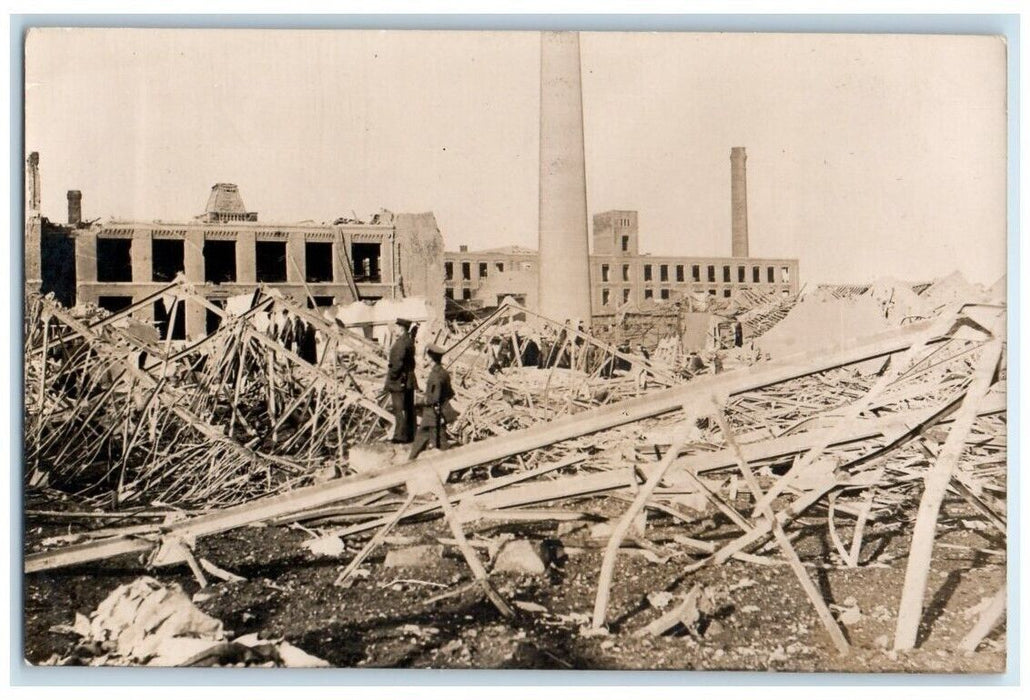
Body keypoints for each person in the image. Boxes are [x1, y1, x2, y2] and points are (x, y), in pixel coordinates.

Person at [409, 343, 456, 460]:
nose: (425, 360)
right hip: (438, 412)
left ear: (430, 359)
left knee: (439, 443)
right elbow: (450, 393)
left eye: (426, 357)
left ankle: (410, 463)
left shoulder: (435, 376)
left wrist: (419, 401)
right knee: (422, 439)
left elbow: (433, 398)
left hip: (433, 414)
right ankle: (410, 461)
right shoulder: (444, 373)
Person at [384, 317, 417, 443]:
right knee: (408, 408)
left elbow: (397, 364)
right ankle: (410, 435)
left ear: (401, 329)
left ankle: (400, 436)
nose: (394, 329)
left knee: (399, 409)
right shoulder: (408, 341)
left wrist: (392, 377)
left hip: (399, 381)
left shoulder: (401, 343)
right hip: (408, 379)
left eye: (396, 327)